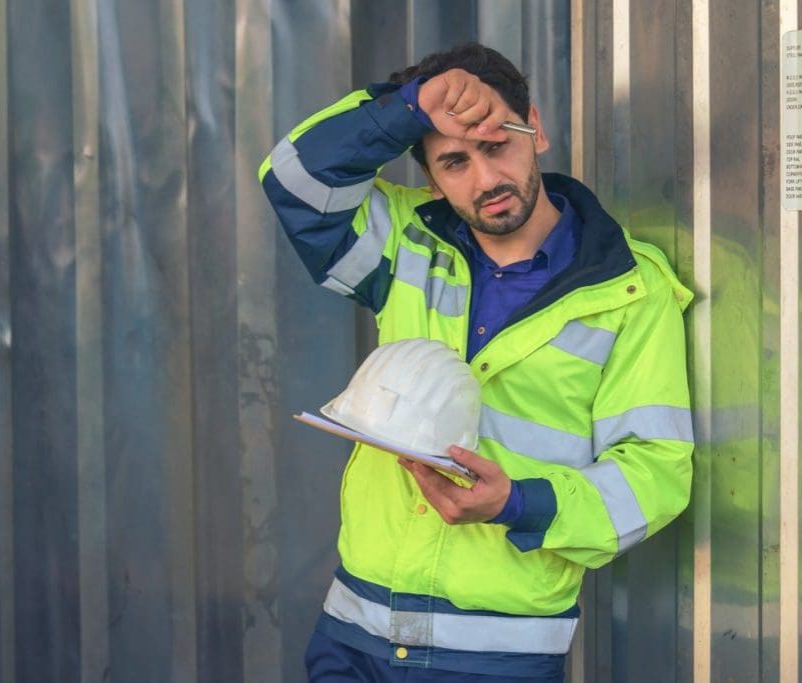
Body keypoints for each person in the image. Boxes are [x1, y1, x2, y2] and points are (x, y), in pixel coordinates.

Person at [258, 43, 694, 682]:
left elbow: (656, 473)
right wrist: (409, 107)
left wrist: (517, 504)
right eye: (454, 161)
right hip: (354, 634)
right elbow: (295, 178)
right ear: (431, 178)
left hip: (496, 657)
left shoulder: (630, 287)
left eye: (497, 146)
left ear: (535, 130)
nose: (486, 180)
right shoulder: (404, 242)